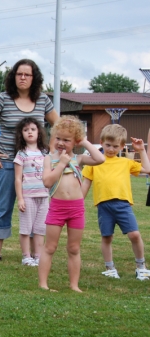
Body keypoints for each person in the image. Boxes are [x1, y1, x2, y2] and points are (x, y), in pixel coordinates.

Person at [0, 59, 60, 262]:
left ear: (34, 78)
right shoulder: (3, 99)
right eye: (19, 74)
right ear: (13, 77)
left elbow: (58, 124)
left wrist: (51, 151)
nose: (22, 78)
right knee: (4, 204)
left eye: (27, 75)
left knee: (35, 204)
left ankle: (33, 253)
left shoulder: (43, 101)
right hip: (6, 161)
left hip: (36, 165)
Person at [38, 116, 104, 292]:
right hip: (57, 208)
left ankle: (74, 285)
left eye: (66, 140)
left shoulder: (80, 158)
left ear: (75, 142)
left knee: (74, 248)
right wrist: (61, 164)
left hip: (76, 209)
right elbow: (47, 182)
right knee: (50, 247)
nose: (61, 143)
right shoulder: (49, 159)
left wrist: (86, 142)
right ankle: (43, 284)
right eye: (58, 138)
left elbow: (100, 159)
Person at [82, 124, 150, 281]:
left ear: (121, 146)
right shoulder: (93, 163)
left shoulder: (125, 162)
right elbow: (85, 184)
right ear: (101, 142)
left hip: (123, 205)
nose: (111, 149)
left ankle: (141, 267)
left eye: (115, 146)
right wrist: (78, 202)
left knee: (134, 234)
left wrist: (141, 150)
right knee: (107, 237)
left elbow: (147, 169)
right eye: (107, 145)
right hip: (103, 207)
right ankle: (109, 268)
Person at [13, 117, 49, 267]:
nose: (30, 132)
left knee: (40, 229)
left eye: (33, 129)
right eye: (26, 130)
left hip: (44, 196)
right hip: (28, 197)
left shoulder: (45, 153)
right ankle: (26, 256)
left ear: (39, 132)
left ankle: (38, 256)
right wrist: (20, 198)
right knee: (26, 228)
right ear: (21, 134)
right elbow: (18, 179)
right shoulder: (21, 154)